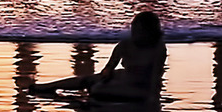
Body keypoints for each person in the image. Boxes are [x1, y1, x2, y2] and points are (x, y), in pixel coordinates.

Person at [39, 9, 168, 105]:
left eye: (139, 31)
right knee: (87, 80)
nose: (134, 34)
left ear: (150, 33)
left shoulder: (158, 48)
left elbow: (155, 77)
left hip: (141, 87)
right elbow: (109, 67)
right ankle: (49, 86)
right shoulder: (125, 44)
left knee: (97, 90)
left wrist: (152, 100)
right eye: (133, 30)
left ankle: (99, 93)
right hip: (123, 76)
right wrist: (105, 75)